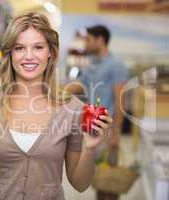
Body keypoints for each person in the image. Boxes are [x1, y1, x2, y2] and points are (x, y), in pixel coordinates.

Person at [0, 12, 113, 200]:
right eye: (19, 48)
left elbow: (80, 184)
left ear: (50, 52)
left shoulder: (71, 108)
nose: (28, 56)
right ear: (9, 53)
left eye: (38, 47)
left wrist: (89, 148)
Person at [80, 25, 128, 200]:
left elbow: (120, 101)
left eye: (89, 39)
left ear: (100, 40)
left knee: (110, 181)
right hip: (90, 129)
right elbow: (81, 92)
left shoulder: (116, 65)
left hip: (107, 130)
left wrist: (115, 134)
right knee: (99, 178)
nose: (86, 43)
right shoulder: (92, 65)